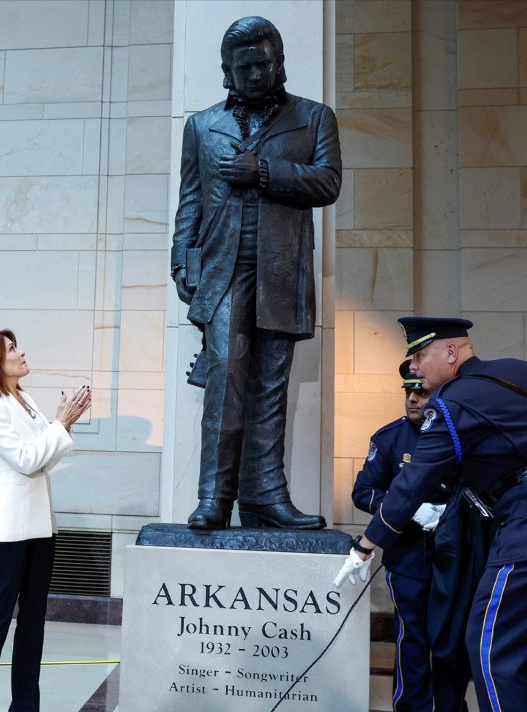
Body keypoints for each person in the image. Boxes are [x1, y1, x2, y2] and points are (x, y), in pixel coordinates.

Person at [170, 16, 341, 530]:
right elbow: (191, 202)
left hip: (281, 271)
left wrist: (264, 172)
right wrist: (182, 259)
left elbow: (328, 182)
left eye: (264, 64)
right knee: (224, 378)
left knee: (270, 385)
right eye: (243, 67)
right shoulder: (201, 126)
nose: (255, 74)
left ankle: (265, 497)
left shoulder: (313, 118)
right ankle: (214, 498)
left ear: (280, 63)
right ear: (227, 71)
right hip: (222, 271)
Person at [336, 316, 527, 711]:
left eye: (419, 355)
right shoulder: (522, 371)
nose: (413, 366)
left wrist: (365, 546)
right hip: (521, 514)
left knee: (491, 651)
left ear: (451, 353)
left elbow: (414, 479)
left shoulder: (456, 401)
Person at [0, 329, 91, 712]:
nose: (21, 353)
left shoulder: (26, 399)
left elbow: (45, 459)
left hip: (40, 523)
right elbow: (27, 459)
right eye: (12, 349)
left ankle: (25, 705)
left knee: (34, 620)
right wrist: (60, 424)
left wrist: (63, 424)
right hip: (8, 527)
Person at [351, 360, 467, 712]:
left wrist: (448, 513)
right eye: (409, 392)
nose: (414, 399)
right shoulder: (390, 438)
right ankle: (412, 707)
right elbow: (363, 492)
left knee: (450, 639)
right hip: (408, 555)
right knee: (413, 636)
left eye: (422, 391)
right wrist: (406, 509)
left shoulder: (458, 435)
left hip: (454, 553)